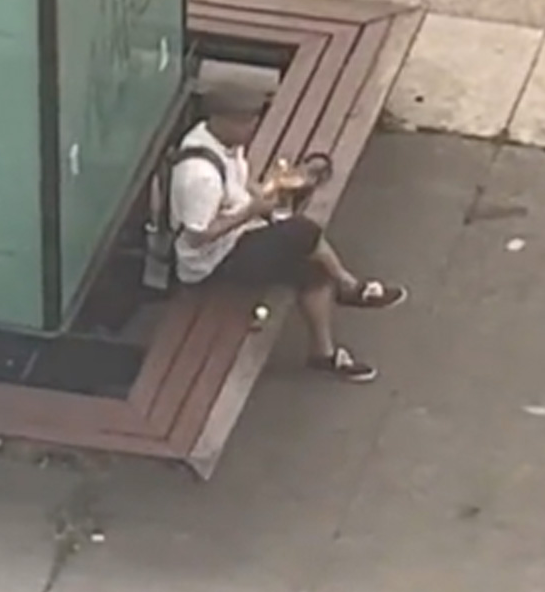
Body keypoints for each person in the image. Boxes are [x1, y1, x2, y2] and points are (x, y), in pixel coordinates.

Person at [169, 85, 407, 383]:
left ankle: (323, 353)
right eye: (246, 122)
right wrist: (252, 211)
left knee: (312, 269)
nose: (252, 128)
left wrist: (267, 194)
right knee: (302, 232)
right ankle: (348, 284)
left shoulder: (225, 144)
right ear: (222, 120)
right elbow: (198, 236)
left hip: (240, 232)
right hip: (212, 262)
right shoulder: (199, 176)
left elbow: (239, 185)